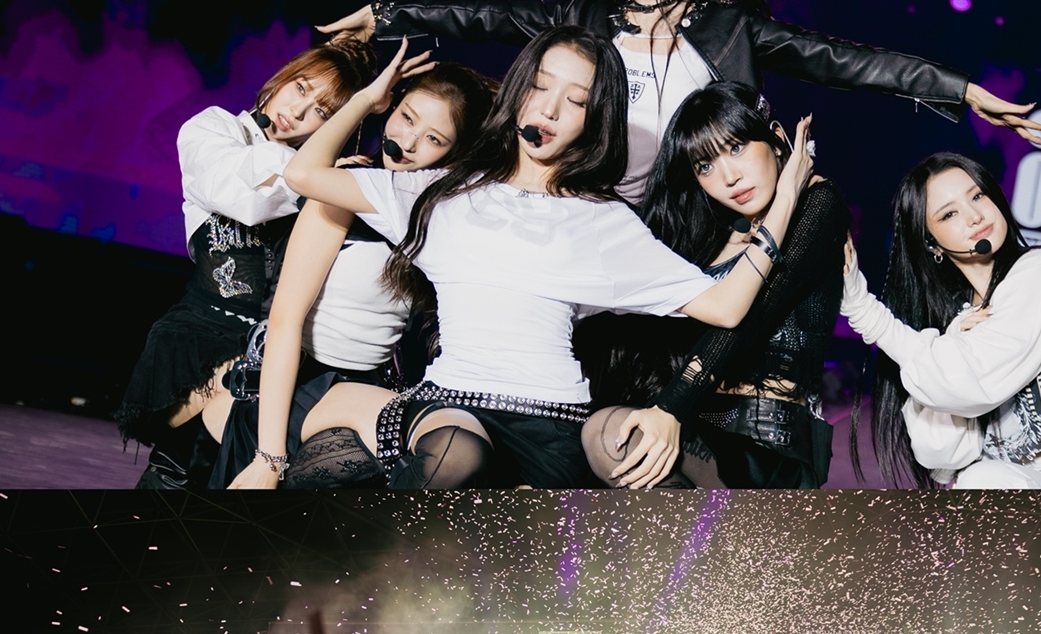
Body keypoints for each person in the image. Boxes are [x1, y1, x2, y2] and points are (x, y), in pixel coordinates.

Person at [278, 26, 807, 489]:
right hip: (451, 405)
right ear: (518, 90)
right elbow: (303, 174)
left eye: (576, 100)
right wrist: (369, 101)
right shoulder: (437, 193)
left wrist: (783, 203)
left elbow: (725, 306)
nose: (551, 110)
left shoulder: (602, 221)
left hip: (548, 422)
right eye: (540, 87)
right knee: (453, 458)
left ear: (594, 118)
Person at [320, 0, 1041, 205]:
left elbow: (844, 60)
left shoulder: (728, 24)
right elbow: (483, 16)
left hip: (690, 219)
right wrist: (386, 15)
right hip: (589, 204)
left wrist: (959, 89)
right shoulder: (586, 18)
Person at [217, 58, 498, 489]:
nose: (407, 141)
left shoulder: (444, 215)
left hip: (361, 388)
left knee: (456, 448)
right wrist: (268, 458)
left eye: (434, 138)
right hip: (295, 381)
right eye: (406, 117)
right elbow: (285, 321)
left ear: (453, 153)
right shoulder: (347, 184)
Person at [115, 40, 374, 489]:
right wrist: (316, 172)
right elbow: (245, 200)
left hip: (276, 348)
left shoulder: (324, 171)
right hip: (200, 336)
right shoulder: (211, 128)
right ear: (282, 78)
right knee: (180, 467)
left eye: (322, 113)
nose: (298, 110)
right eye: (300, 88)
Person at [577, 82, 847, 487]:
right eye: (705, 166)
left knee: (608, 436)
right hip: (701, 426)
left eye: (736, 148)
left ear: (776, 139)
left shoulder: (817, 202)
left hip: (768, 442)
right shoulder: (716, 235)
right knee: (610, 437)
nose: (729, 177)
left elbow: (750, 315)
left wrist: (669, 408)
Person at [841, 152, 1041, 488]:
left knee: (982, 479)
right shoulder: (961, 323)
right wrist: (948, 345)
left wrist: (865, 312)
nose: (975, 215)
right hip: (1008, 497)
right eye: (949, 213)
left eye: (977, 195)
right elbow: (941, 454)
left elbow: (967, 382)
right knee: (978, 479)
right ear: (932, 244)